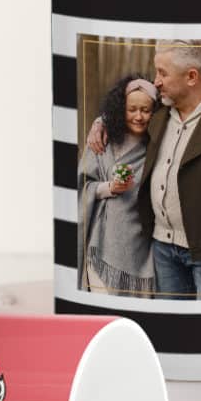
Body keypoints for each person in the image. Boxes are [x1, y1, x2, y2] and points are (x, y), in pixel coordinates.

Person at [86, 41, 201, 300]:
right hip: (162, 250)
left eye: (162, 73)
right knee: (173, 329)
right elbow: (127, 107)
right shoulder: (159, 114)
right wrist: (100, 122)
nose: (156, 81)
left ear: (191, 76)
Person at [77, 74, 159, 296]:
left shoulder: (157, 147)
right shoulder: (102, 140)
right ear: (120, 108)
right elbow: (82, 184)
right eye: (132, 109)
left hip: (140, 248)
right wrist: (108, 188)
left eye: (146, 110)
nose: (139, 116)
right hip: (99, 243)